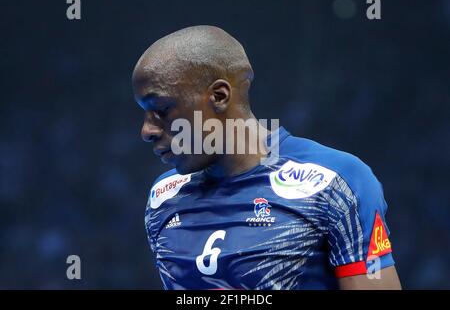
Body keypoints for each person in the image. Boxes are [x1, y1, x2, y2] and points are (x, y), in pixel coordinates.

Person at [132, 25, 401, 290]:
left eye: (162, 109)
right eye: (144, 113)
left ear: (219, 96)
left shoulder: (336, 183)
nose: (147, 131)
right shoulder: (163, 198)